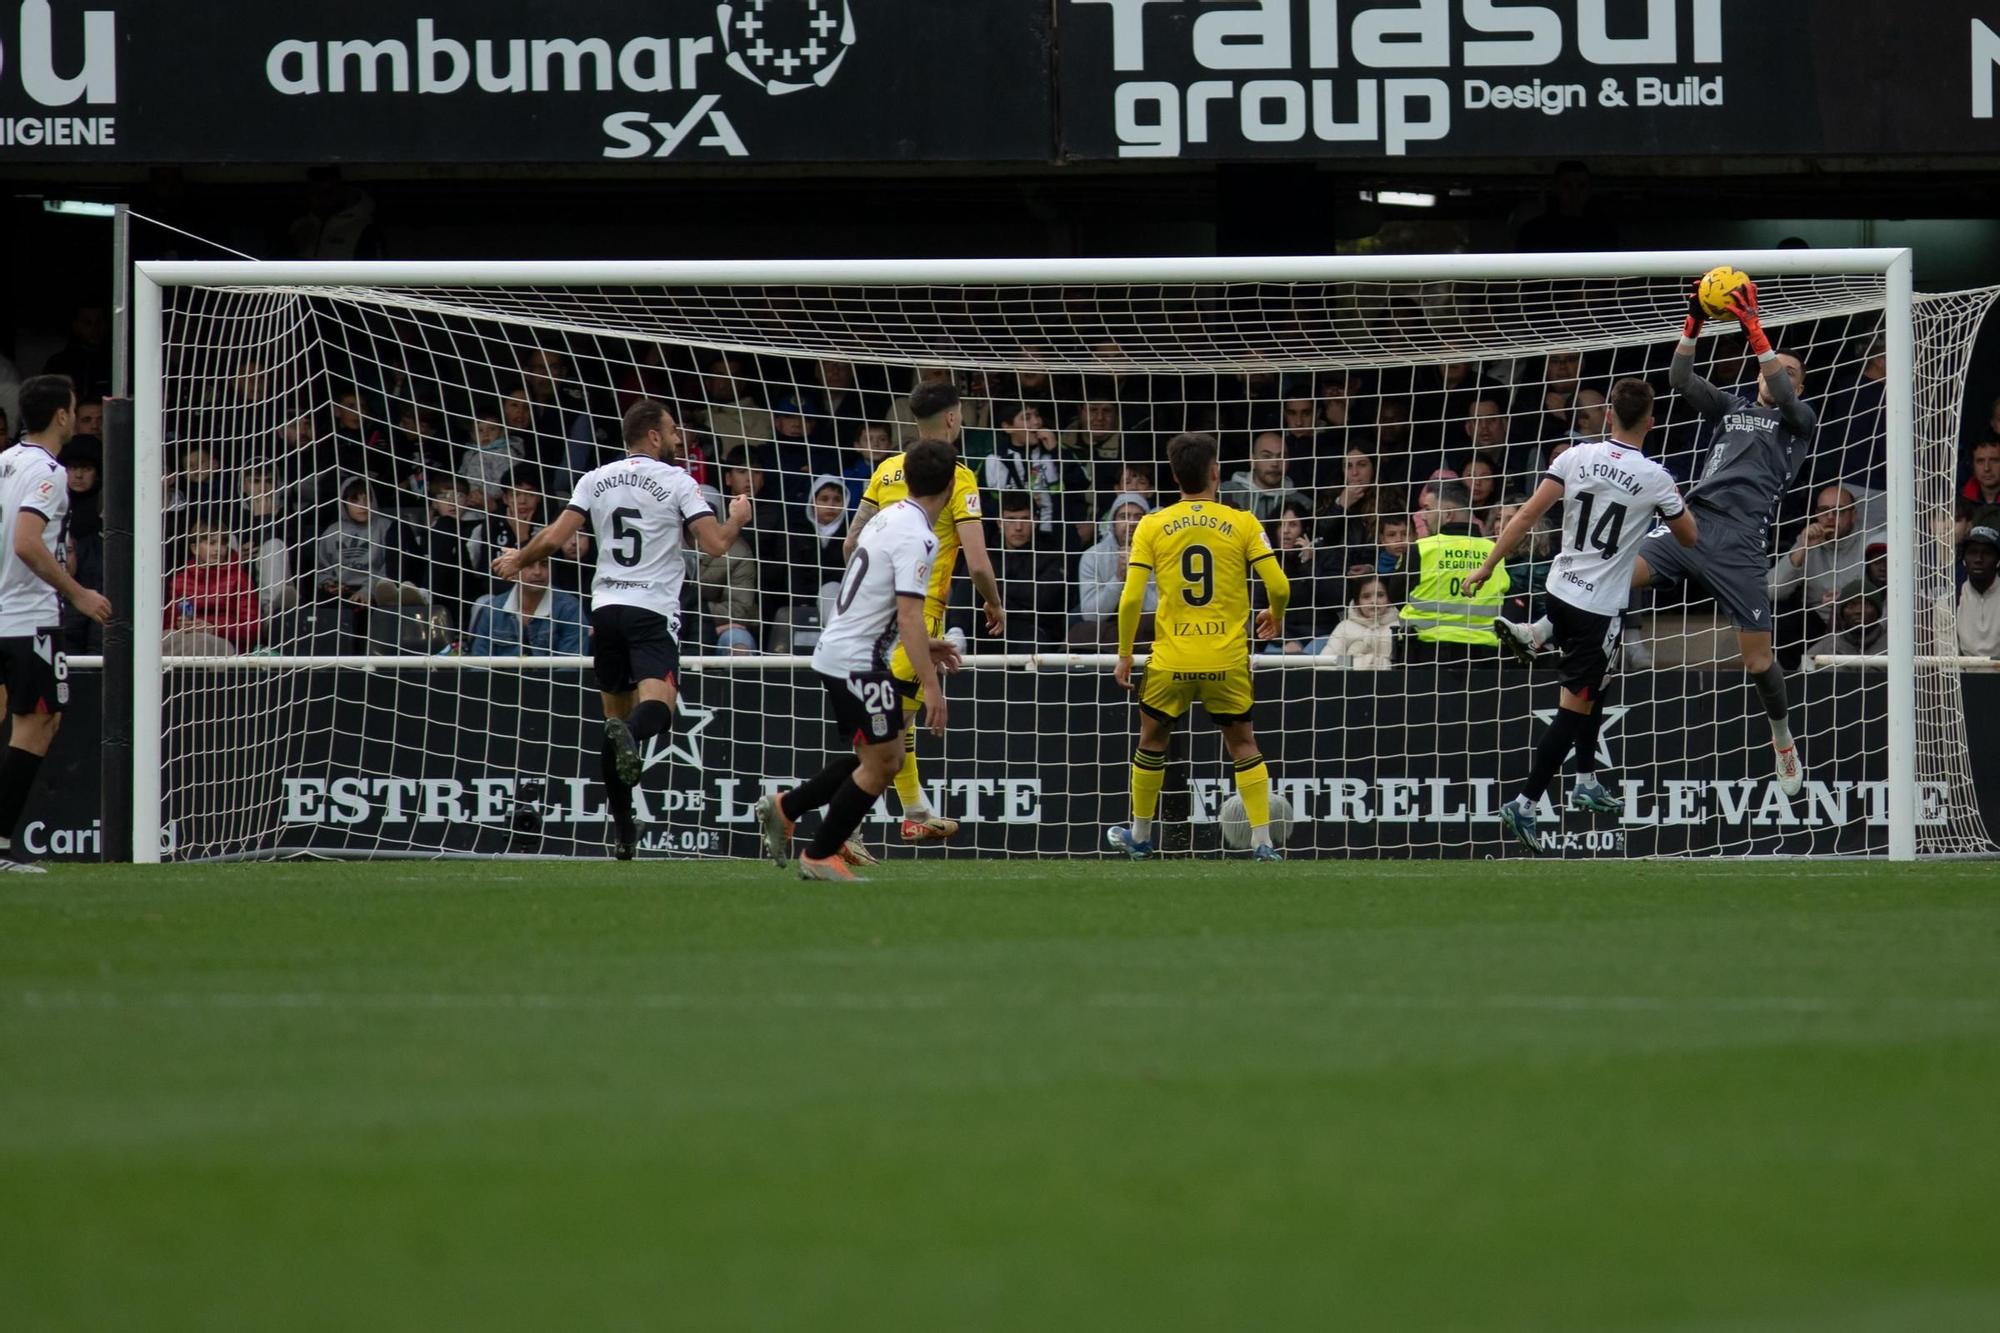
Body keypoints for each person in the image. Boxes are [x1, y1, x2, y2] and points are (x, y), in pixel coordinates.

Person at [491, 400, 750, 861]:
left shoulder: (595, 478)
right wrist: (736, 518)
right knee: (656, 712)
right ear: (652, 436)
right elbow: (715, 545)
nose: (677, 439)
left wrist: (518, 558)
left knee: (613, 727)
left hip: (605, 610)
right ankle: (631, 739)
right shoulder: (678, 481)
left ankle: (623, 829)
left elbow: (553, 537)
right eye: (672, 432)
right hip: (650, 613)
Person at [1470, 378, 1697, 852]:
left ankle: (1586, 773)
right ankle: (1526, 802)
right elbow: (1689, 538)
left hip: (1559, 591)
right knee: (1573, 711)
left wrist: (1489, 564)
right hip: (1598, 611)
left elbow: (1528, 515)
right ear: (1652, 422)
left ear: (1609, 415)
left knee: (1600, 682)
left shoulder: (1574, 456)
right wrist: (1669, 508)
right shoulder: (1655, 477)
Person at [1631, 275, 1817, 794]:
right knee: (1617, 569)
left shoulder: (1798, 420)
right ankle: (1546, 630)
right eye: (1772, 366)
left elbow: (1779, 386)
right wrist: (1694, 319)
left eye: (1789, 371)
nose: (1776, 374)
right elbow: (1679, 379)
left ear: (1798, 386)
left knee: (1759, 660)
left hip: (1741, 542)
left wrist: (1753, 327)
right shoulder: (1732, 407)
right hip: (1693, 522)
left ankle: (1783, 740)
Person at [753, 440, 963, 882]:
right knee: (885, 763)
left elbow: (882, 598)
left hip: (841, 650)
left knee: (878, 757)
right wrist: (931, 685)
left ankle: (786, 808)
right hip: (859, 660)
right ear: (949, 486)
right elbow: (907, 614)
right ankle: (819, 854)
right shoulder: (921, 536)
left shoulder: (887, 517)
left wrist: (929, 645)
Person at [1107, 432, 1291, 862]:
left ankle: (1139, 835)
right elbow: (1280, 585)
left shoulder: (1152, 525)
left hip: (1172, 657)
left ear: (1174, 476)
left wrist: (1124, 653)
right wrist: (1276, 615)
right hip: (1225, 657)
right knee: (1243, 742)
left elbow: (1132, 598)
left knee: (1152, 740)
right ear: (1215, 472)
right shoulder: (1243, 521)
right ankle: (1263, 842)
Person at [846, 382, 1004, 844]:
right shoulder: (957, 475)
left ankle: (915, 809)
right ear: (953, 420)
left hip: (872, 617)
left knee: (898, 719)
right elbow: (976, 562)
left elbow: (850, 544)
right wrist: (992, 602)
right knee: (886, 733)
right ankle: (843, 829)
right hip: (920, 613)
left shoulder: (888, 469)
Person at [0, 376, 113, 871]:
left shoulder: (2, 464)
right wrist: (79, 593)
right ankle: (1, 847)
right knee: (38, 725)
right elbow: (27, 542)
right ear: (63, 416)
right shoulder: (48, 472)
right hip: (28, 621)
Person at [1398, 482, 1508, 662]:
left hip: (1426, 656)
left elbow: (1397, 595)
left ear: (1448, 514)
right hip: (1485, 658)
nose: (1423, 516)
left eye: (1428, 509)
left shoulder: (1421, 549)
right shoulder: (1495, 552)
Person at [464, 556, 585, 658]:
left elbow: (571, 667)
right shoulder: (492, 610)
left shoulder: (569, 608)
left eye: (544, 564)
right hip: (502, 685)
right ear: (514, 572)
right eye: (529, 565)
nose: (538, 572)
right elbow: (479, 666)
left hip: (555, 685)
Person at [1219, 431, 1309, 522]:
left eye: (1282, 456)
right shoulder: (1226, 493)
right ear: (1252, 460)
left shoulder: (1303, 503)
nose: (1275, 464)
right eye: (1266, 456)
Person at [1319, 576, 1397, 670]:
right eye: (1366, 596)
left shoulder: (1400, 626)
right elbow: (1324, 665)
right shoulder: (1344, 627)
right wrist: (1363, 663)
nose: (1374, 601)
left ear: (1389, 598)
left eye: (1380, 595)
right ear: (1357, 602)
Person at [1951, 522, 2000, 658]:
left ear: (1998, 561)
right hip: (1963, 678)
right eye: (1972, 553)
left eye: (1987, 553)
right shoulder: (1947, 602)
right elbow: (1947, 662)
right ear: (1964, 560)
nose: (1978, 559)